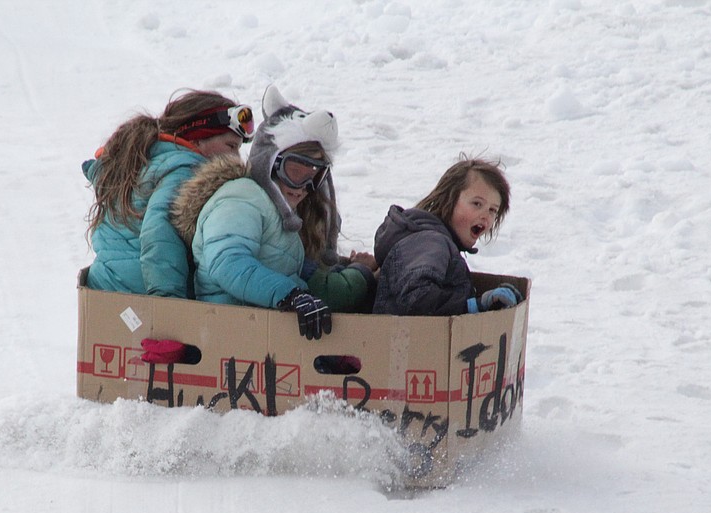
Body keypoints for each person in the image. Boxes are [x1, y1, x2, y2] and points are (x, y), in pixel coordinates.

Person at [169, 86, 375, 340]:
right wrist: (289, 295)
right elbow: (227, 262)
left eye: (314, 177)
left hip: (252, 335)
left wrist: (344, 270)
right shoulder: (241, 196)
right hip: (226, 334)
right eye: (296, 172)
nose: (303, 188)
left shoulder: (278, 216)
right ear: (271, 162)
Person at [83, 90, 254, 298]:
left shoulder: (144, 164)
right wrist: (167, 303)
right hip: (142, 296)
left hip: (104, 292)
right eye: (231, 146)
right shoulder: (184, 169)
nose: (236, 157)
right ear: (198, 138)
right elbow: (159, 233)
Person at [372, 157, 522, 316]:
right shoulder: (430, 242)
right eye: (477, 204)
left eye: (492, 210)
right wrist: (471, 306)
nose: (486, 215)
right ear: (448, 199)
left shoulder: (433, 242)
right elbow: (417, 298)